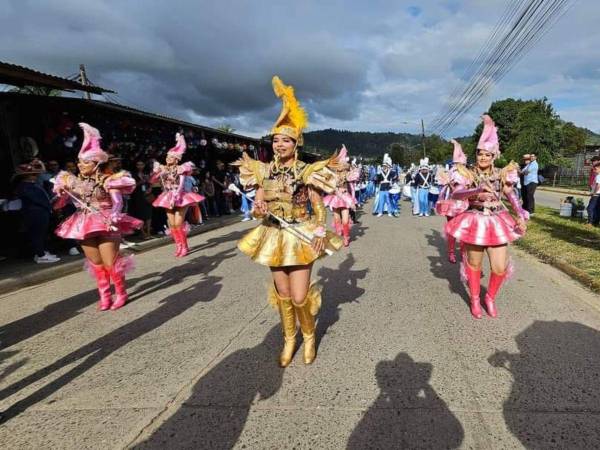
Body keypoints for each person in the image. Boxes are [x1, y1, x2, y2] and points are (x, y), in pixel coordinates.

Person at [234, 76, 342, 367]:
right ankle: (289, 338)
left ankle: (308, 337)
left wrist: (320, 230)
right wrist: (258, 209)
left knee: (298, 296)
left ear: (296, 143)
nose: (279, 144)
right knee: (282, 294)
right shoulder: (262, 171)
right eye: (275, 140)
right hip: (272, 235)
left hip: (300, 234)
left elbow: (319, 207)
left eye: (285, 140)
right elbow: (258, 208)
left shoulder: (308, 171)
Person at [446, 115, 529, 319]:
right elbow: (456, 193)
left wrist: (520, 216)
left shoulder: (503, 173)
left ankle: (490, 298)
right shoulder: (468, 174)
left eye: (487, 155)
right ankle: (475, 299)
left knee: (499, 267)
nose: (483, 158)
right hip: (474, 221)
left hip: (497, 221)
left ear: (494, 156)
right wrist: (474, 192)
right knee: (474, 264)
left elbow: (512, 197)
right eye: (480, 154)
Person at [53, 123, 142, 310]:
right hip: (84, 222)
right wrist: (62, 192)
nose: (80, 165)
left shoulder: (109, 180)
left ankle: (121, 293)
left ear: (97, 164)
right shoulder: (74, 182)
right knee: (97, 264)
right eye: (79, 162)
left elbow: (118, 202)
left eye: (85, 162)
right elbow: (60, 204)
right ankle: (105, 295)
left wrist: (114, 217)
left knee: (111, 262)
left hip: (106, 220)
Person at [150, 133, 205, 257]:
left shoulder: (181, 168)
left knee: (179, 223)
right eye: (167, 156)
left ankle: (184, 246)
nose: (168, 158)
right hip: (167, 196)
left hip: (180, 197)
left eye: (171, 157)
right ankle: (178, 245)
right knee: (172, 224)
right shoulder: (163, 169)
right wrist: (156, 172)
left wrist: (176, 196)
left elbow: (180, 184)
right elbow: (152, 181)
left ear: (176, 159)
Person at [14, 160, 61, 264]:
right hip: (35, 213)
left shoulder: (32, 184)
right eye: (33, 174)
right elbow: (38, 200)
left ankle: (41, 252)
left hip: (40, 212)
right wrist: (49, 205)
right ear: (26, 176)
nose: (36, 176)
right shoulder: (25, 186)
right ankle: (41, 255)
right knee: (37, 235)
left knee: (41, 234)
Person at [435, 140, 470, 263]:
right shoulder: (454, 173)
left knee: (463, 229)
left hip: (464, 204)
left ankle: (461, 252)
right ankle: (452, 253)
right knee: (453, 229)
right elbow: (454, 189)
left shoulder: (467, 173)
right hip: (453, 204)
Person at [323, 145, 359, 246]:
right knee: (337, 219)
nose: (340, 169)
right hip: (334, 198)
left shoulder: (348, 175)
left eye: (342, 167)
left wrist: (352, 170)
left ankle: (346, 237)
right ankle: (339, 233)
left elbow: (355, 176)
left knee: (345, 220)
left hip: (345, 197)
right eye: (339, 166)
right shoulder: (332, 175)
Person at [130, 160, 154, 239]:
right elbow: (131, 186)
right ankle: (143, 233)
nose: (140, 166)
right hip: (137, 195)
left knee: (148, 213)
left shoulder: (146, 173)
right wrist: (140, 182)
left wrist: (150, 188)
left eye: (141, 164)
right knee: (140, 214)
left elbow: (151, 183)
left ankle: (149, 233)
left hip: (147, 195)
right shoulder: (133, 174)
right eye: (138, 164)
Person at [586, 161, 600, 227]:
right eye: (593, 169)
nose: (594, 171)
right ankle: (595, 222)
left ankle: (590, 222)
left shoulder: (598, 176)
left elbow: (598, 185)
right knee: (597, 209)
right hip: (598, 195)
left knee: (590, 208)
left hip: (596, 195)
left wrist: (594, 193)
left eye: (595, 169)